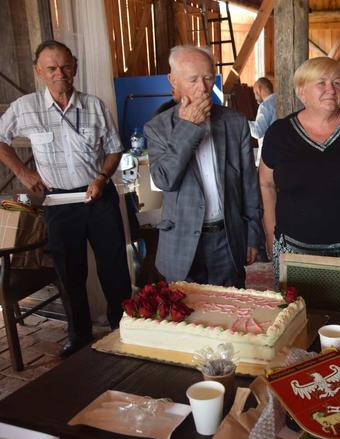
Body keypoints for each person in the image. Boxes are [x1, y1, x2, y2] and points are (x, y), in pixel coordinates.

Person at [0, 40, 132, 357]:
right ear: (39, 72)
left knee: (114, 269)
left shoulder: (95, 106)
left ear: (75, 67)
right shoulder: (25, 107)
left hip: (98, 197)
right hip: (58, 203)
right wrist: (23, 172)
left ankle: (123, 329)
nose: (60, 74)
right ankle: (79, 334)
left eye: (66, 66)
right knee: (70, 273)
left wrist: (101, 178)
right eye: (52, 68)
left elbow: (115, 148)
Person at [143, 45, 261, 287]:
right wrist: (189, 127)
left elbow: (248, 183)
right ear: (173, 80)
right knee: (184, 318)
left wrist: (253, 235)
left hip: (226, 238)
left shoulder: (234, 122)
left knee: (230, 314)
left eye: (208, 78)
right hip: (181, 241)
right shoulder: (158, 128)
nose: (202, 87)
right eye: (193, 79)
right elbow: (164, 179)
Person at [259, 57, 340, 279]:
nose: (331, 89)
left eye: (337, 83)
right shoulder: (279, 133)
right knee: (297, 312)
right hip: (293, 251)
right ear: (301, 91)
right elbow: (266, 184)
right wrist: (270, 234)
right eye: (321, 83)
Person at [249, 77, 276, 166]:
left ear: (258, 89)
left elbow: (258, 131)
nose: (254, 96)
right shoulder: (279, 100)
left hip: (267, 158)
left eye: (254, 93)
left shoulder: (265, 106)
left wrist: (243, 122)